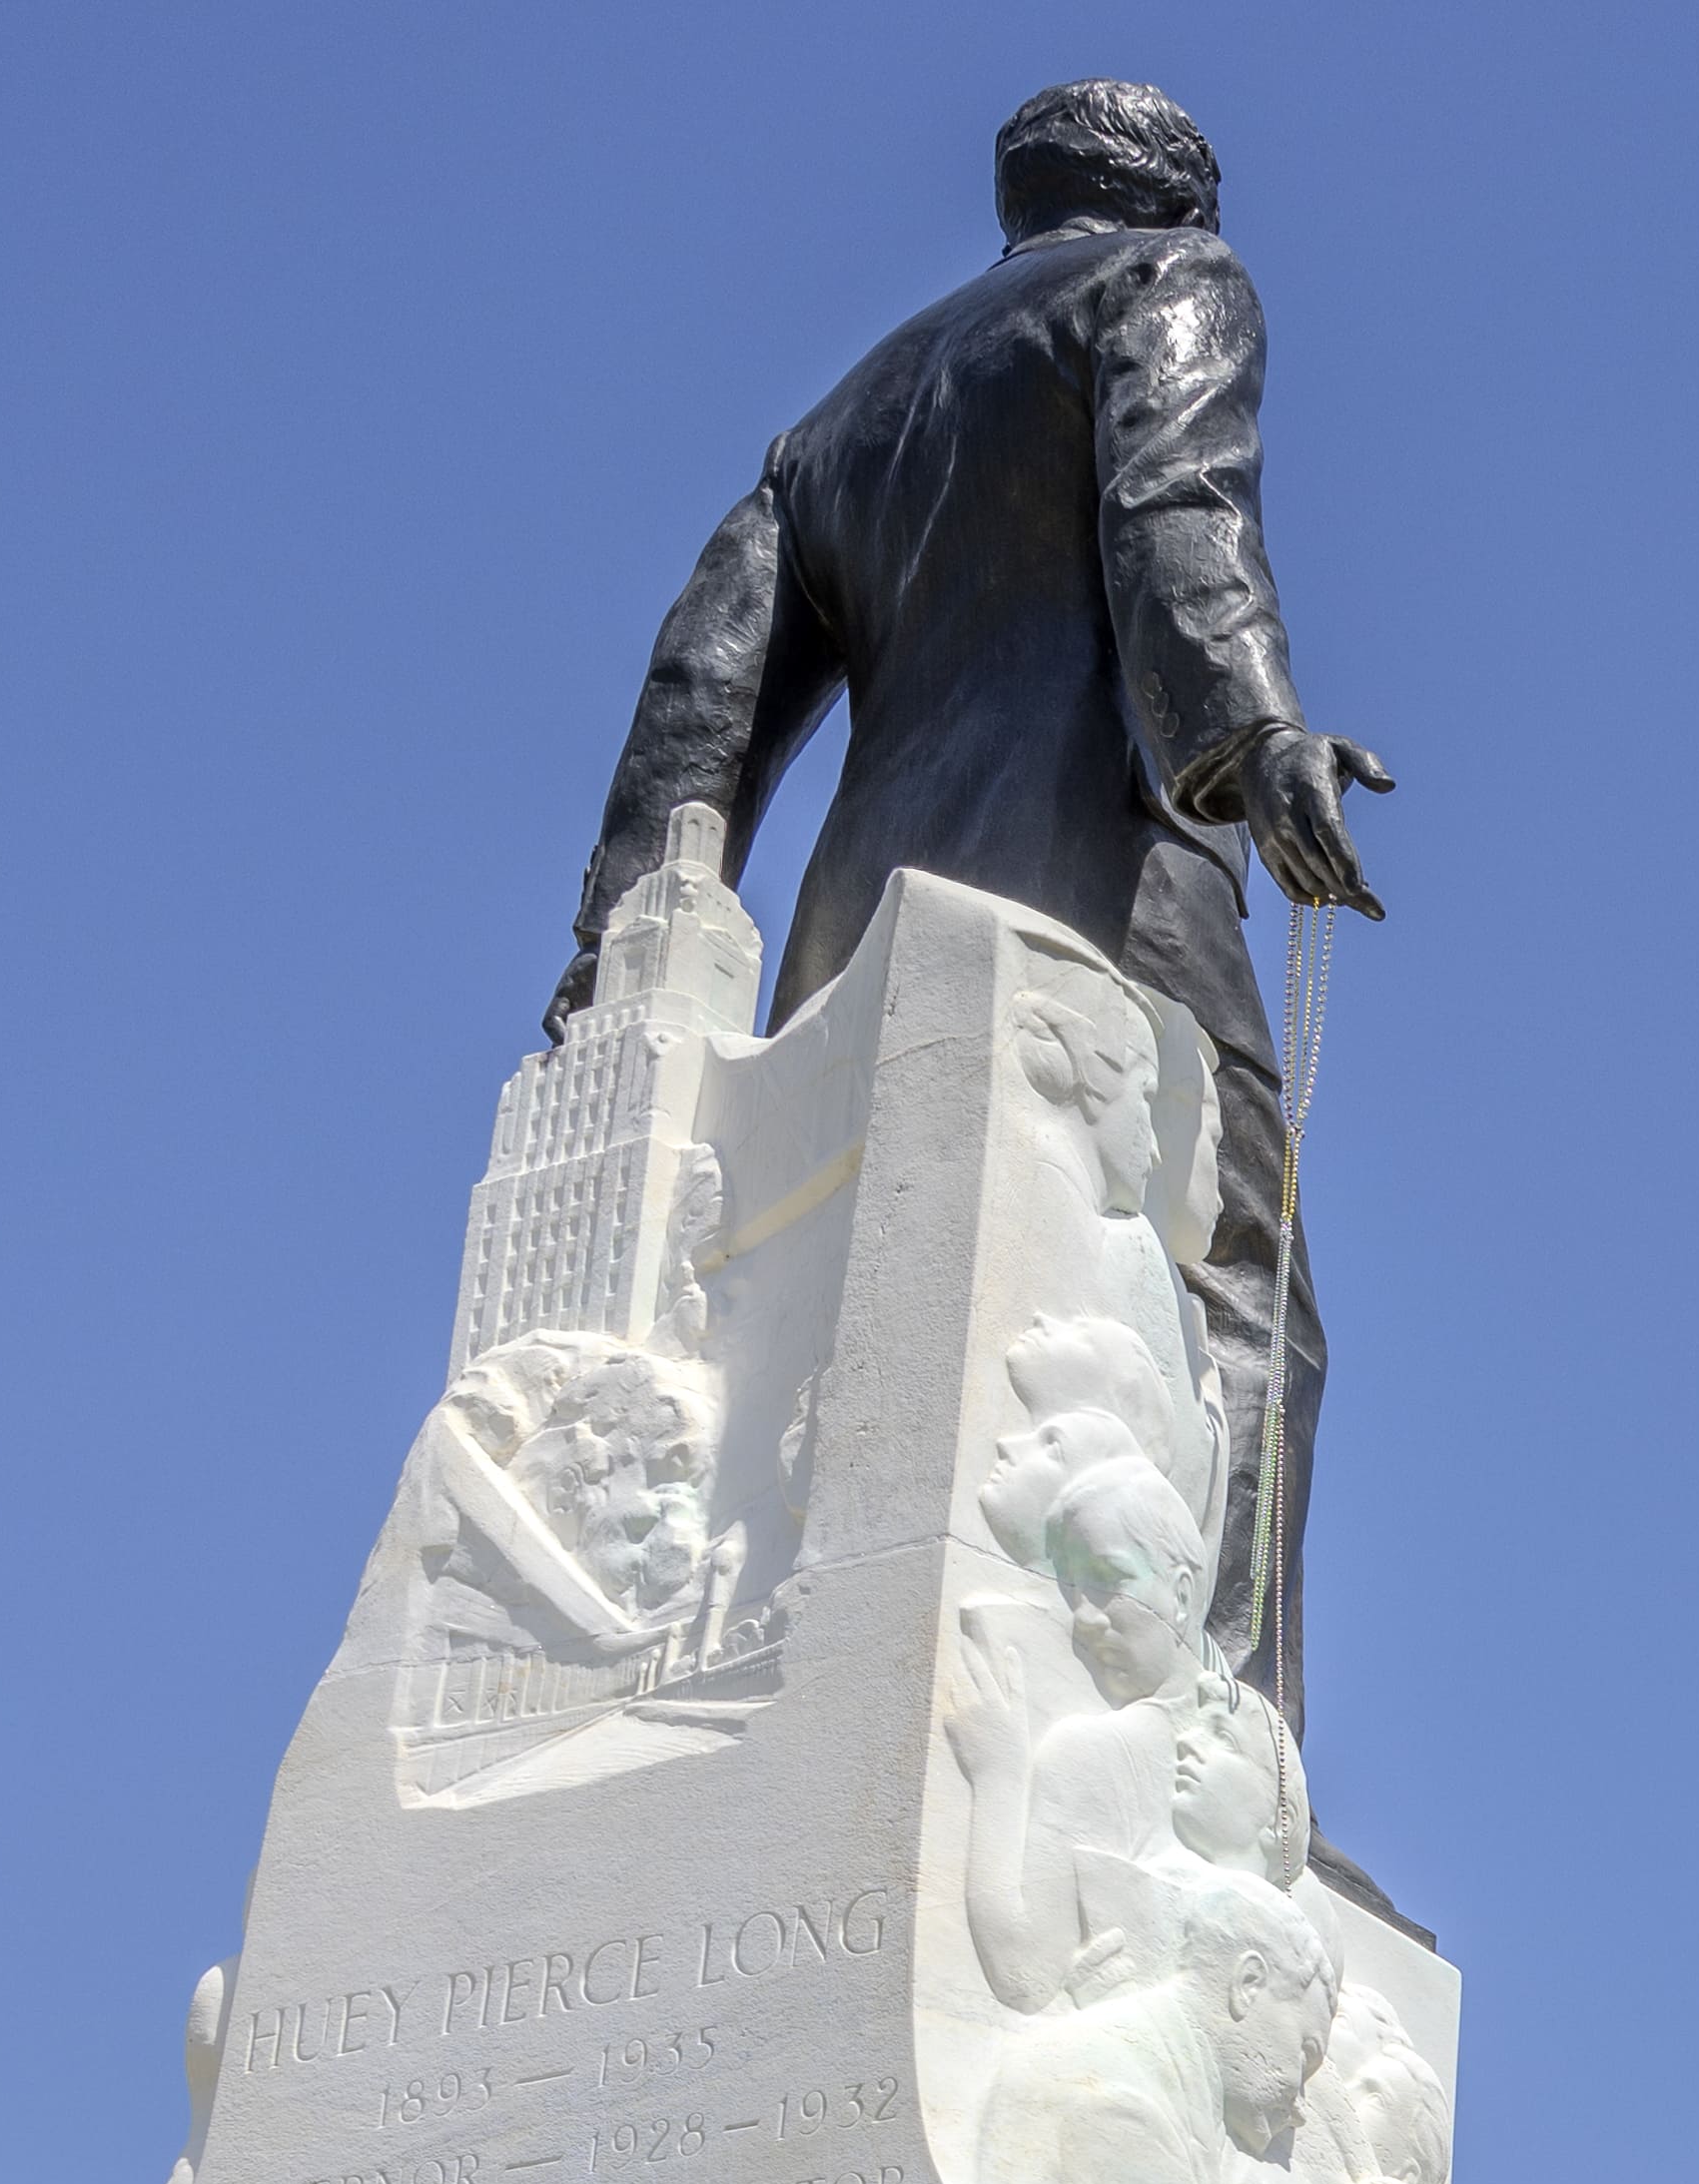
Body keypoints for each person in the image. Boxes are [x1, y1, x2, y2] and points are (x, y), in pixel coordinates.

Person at [565, 80, 1393, 1710]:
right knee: (1238, 1283)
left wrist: (620, 950)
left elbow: (696, 705)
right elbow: (1179, 516)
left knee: (840, 1292)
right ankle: (1211, 1716)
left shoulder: (834, 429)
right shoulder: (1165, 288)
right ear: (1181, 203)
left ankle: (806, 1674)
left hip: (854, 931)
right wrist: (1249, 740)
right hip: (1102, 871)